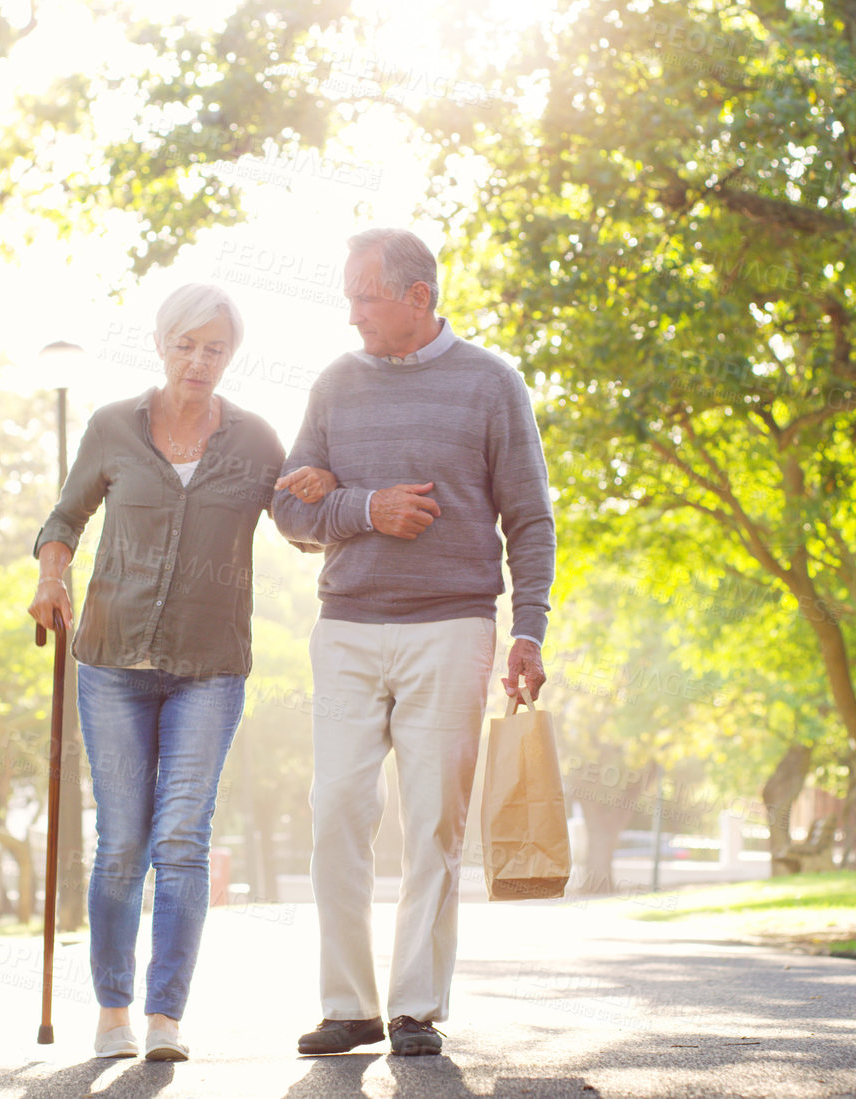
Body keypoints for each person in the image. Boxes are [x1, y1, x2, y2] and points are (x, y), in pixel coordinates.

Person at [29, 283, 336, 1062]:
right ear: (161, 344)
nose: (198, 360)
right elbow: (64, 518)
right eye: (185, 344)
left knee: (181, 838)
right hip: (112, 659)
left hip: (208, 666)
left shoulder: (256, 439)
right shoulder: (110, 427)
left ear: (229, 356)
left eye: (215, 348)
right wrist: (51, 578)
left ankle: (165, 1017)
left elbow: (297, 526)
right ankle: (112, 1009)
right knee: (122, 842)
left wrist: (320, 496)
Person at [271, 228, 556, 1057]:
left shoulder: (491, 383)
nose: (351, 310)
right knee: (337, 813)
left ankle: (414, 1007)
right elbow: (288, 510)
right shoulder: (333, 383)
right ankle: (348, 1004)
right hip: (349, 627)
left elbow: (529, 518)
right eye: (349, 293)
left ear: (417, 298)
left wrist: (528, 629)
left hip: (453, 625)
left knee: (432, 820)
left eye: (365, 294)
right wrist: (364, 507)